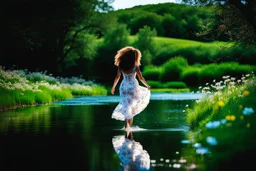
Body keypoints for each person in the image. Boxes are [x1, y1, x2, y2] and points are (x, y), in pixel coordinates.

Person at [111, 46, 151, 130]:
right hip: (132, 87)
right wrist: (146, 85)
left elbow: (117, 77)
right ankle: (128, 129)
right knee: (131, 108)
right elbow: (140, 78)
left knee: (126, 106)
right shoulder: (135, 66)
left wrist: (113, 87)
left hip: (124, 87)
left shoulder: (121, 65)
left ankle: (127, 127)